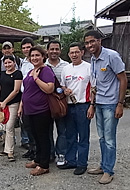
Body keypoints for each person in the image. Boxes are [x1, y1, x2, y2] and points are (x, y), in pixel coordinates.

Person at [84, 30, 127, 184]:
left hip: (111, 103)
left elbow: (123, 79)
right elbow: (95, 84)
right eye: (87, 43)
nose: (90, 45)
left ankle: (109, 171)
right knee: (102, 137)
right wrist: (92, 104)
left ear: (100, 40)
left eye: (92, 41)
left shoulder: (112, 56)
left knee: (109, 139)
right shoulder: (93, 59)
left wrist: (120, 104)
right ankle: (103, 166)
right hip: (100, 103)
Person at [18, 46, 55, 176]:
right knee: (34, 137)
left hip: (41, 110)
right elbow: (27, 90)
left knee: (43, 138)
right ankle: (38, 159)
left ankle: (44, 165)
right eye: (32, 56)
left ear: (43, 56)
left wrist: (36, 79)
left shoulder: (46, 70)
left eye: (37, 55)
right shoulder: (31, 71)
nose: (34, 58)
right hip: (29, 110)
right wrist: (21, 105)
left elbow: (50, 88)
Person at [58, 42, 93, 175]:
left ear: (82, 53)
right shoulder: (66, 69)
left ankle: (82, 163)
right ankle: (71, 160)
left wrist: (92, 106)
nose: (74, 55)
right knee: (70, 135)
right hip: (69, 105)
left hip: (83, 105)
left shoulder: (88, 68)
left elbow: (94, 88)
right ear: (68, 54)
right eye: (71, 52)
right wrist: (64, 90)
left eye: (76, 52)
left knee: (83, 136)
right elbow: (61, 86)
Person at [45, 40, 69, 165]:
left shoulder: (66, 65)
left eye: (56, 49)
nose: (54, 51)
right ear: (47, 50)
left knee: (62, 130)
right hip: (46, 102)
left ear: (60, 50)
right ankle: (49, 153)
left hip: (61, 102)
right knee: (47, 130)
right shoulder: (42, 66)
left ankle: (61, 153)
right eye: (52, 49)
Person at [0, 55, 23, 162]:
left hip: (13, 103)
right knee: (3, 126)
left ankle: (10, 151)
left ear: (14, 63)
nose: (7, 65)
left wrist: (5, 102)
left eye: (9, 62)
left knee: (10, 127)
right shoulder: (2, 74)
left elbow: (16, 90)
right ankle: (6, 149)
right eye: (5, 63)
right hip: (2, 104)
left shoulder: (18, 74)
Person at [19, 37, 36, 160]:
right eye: (24, 48)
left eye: (28, 47)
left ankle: (37, 150)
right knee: (27, 125)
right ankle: (31, 148)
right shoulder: (23, 62)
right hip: (24, 96)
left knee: (36, 127)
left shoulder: (36, 61)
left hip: (35, 97)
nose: (26, 49)